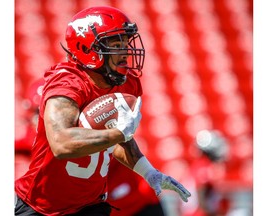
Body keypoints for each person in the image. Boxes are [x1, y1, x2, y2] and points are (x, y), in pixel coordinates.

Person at [15, 6, 191, 216]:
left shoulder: (126, 83)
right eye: (117, 45)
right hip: (42, 206)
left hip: (90, 204)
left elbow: (116, 141)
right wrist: (118, 133)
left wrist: (148, 172)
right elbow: (61, 143)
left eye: (126, 43)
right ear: (88, 48)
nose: (125, 52)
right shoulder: (68, 84)